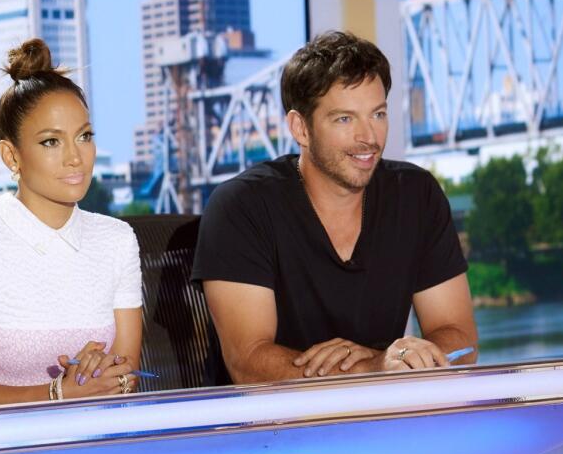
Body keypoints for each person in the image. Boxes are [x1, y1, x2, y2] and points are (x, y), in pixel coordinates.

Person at [192, 31, 477, 384]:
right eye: (344, 119)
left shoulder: (417, 194)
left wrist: (391, 361)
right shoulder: (240, 207)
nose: (369, 137)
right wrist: (373, 368)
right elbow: (248, 363)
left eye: (378, 114)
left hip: (381, 422)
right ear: (301, 128)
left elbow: (459, 338)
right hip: (271, 428)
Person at [0, 38, 142, 408]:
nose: (76, 158)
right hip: (2, 453)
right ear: (11, 155)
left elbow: (123, 377)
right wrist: (57, 394)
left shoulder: (118, 241)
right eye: (51, 142)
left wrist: (109, 377)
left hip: (98, 442)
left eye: (84, 137)